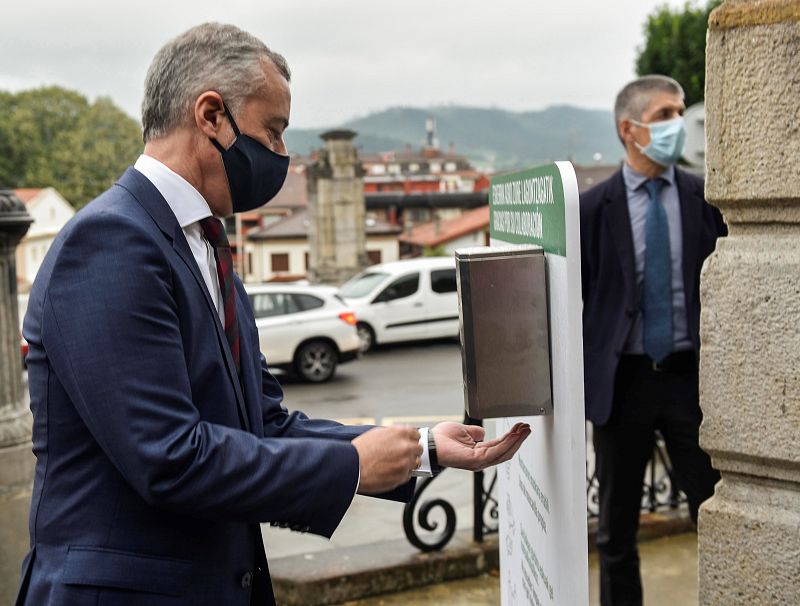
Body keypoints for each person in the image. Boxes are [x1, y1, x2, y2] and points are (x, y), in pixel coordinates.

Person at [15, 23, 530, 606]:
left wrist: (423, 448)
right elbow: (168, 458)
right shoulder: (111, 242)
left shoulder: (207, 249)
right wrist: (349, 466)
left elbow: (265, 425)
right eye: (274, 131)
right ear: (211, 115)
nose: (283, 155)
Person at [580, 75, 727, 606]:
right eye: (665, 115)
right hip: (624, 386)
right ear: (629, 129)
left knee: (716, 518)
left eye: (680, 112)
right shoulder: (592, 209)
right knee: (616, 532)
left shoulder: (705, 197)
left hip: (693, 384)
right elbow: (579, 299)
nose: (677, 124)